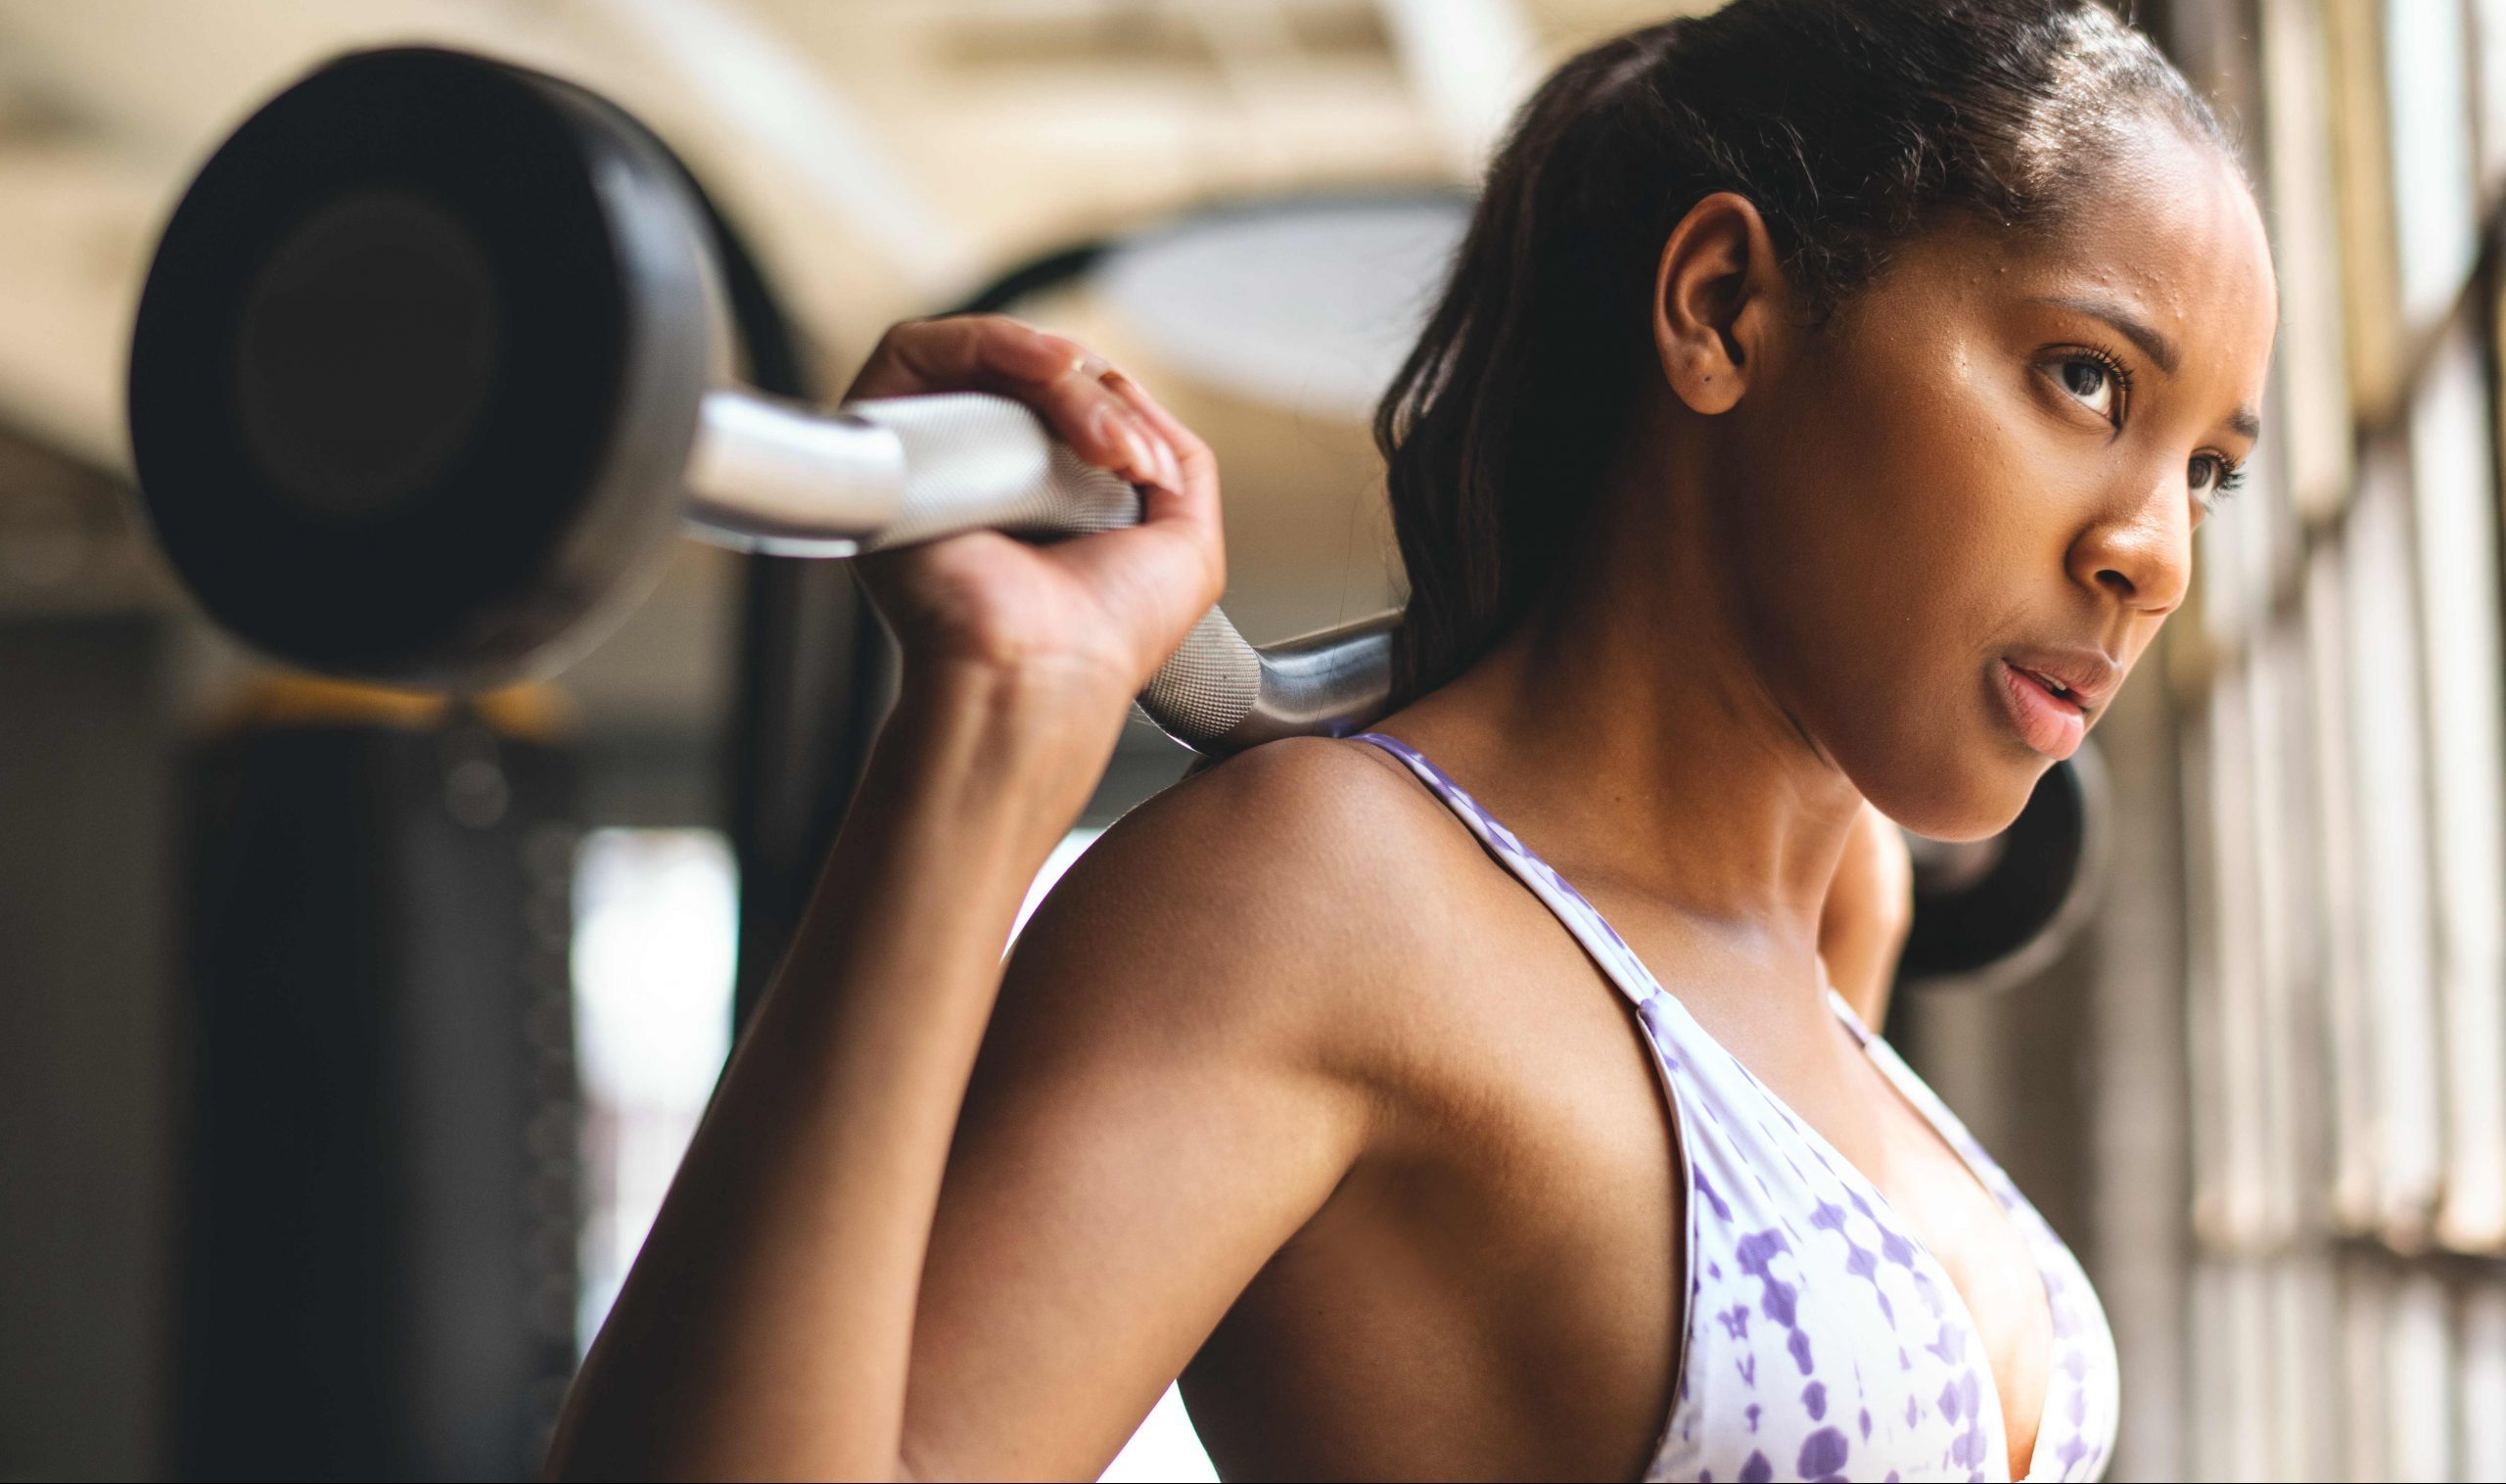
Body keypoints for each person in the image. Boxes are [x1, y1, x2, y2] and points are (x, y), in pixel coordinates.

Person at [545, 0, 2274, 1476]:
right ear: (1728, 307)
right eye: (2088, 381)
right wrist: (999, 718)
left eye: (2207, 467)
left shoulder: (1832, 929)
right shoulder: (1319, 894)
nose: (2153, 556)